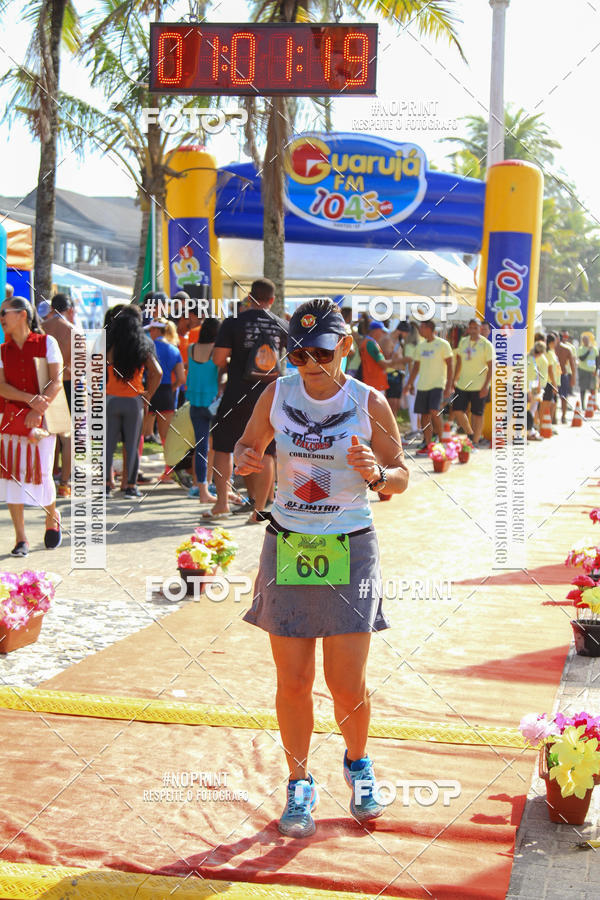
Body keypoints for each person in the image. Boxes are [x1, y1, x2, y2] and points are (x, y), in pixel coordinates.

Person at [235, 298, 409, 838]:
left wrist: (378, 475)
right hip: (288, 542)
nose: (308, 361)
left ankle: (358, 765)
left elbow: (403, 474)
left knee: (346, 683)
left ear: (347, 347)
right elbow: (249, 445)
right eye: (299, 351)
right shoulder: (276, 392)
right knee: (293, 679)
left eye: (321, 351)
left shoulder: (368, 400)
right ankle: (298, 783)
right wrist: (246, 459)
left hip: (350, 546)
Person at [210, 278, 287, 524]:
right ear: (272, 300)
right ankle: (260, 510)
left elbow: (218, 360)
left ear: (249, 296)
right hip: (270, 393)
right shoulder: (281, 324)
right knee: (266, 449)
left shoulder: (234, 322)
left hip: (237, 393)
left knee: (224, 445)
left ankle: (221, 504)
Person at [0, 296, 64, 556]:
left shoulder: (47, 342)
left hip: (43, 419)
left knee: (43, 473)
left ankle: (52, 516)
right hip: (11, 418)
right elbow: (1, 386)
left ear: (22, 314)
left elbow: (56, 380)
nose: (1, 319)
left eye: (4, 313)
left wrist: (39, 410)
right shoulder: (2, 350)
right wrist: (29, 401)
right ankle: (21, 538)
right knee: (12, 476)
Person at [106, 305, 162, 497]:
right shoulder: (143, 344)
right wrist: (149, 395)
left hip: (111, 398)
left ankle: (106, 484)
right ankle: (130, 485)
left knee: (108, 443)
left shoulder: (109, 343)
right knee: (132, 444)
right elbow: (157, 372)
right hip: (134, 399)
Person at [41, 293, 78, 497]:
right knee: (67, 437)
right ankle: (64, 483)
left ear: (52, 309)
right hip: (67, 384)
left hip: (45, 383)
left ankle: (49, 475)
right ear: (69, 310)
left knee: (48, 431)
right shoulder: (73, 331)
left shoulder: (42, 328)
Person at [143, 318, 185, 482]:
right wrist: (171, 389)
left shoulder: (148, 348)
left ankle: (132, 472)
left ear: (155, 330)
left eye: (151, 330)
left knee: (139, 434)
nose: (149, 333)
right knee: (166, 437)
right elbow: (181, 378)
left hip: (147, 390)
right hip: (166, 392)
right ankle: (169, 471)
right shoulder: (174, 349)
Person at [403, 320, 453, 454]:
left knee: (434, 411)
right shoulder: (421, 346)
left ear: (430, 329)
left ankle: (443, 442)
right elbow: (416, 367)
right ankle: (428, 442)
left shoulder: (443, 344)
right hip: (422, 385)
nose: (419, 330)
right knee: (424, 415)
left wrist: (449, 386)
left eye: (422, 328)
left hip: (437, 384)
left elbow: (450, 365)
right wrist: (409, 384)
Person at [186, 317, 221, 504]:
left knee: (201, 447)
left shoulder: (191, 348)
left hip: (195, 403)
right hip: (213, 403)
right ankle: (216, 484)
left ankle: (202, 488)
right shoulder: (217, 352)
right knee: (218, 448)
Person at [452, 318, 493, 446]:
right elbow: (459, 362)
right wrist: (454, 379)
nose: (473, 330)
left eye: (476, 328)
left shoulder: (486, 344)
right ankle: (470, 433)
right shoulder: (463, 341)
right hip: (462, 384)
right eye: (471, 327)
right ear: (468, 329)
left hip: (479, 385)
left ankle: (475, 441)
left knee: (477, 414)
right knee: (458, 410)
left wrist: (486, 386)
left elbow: (491, 366)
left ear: (480, 329)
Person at [358, 321, 392, 393]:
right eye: (382, 332)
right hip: (375, 384)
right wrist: (399, 361)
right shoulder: (370, 343)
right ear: (376, 331)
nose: (383, 334)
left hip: (372, 383)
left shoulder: (368, 342)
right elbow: (383, 364)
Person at [557, 332, 577, 424]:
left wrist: (573, 377)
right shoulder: (567, 349)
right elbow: (573, 365)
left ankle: (553, 417)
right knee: (564, 397)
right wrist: (573, 377)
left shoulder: (552, 349)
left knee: (553, 398)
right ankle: (563, 416)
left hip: (554, 375)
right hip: (563, 374)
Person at [577, 334, 598, 408]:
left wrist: (597, 370)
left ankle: (594, 404)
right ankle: (583, 404)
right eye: (584, 340)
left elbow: (597, 360)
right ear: (582, 341)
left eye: (587, 340)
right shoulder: (580, 349)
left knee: (593, 388)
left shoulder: (594, 349)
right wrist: (588, 351)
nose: (586, 341)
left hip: (592, 371)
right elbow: (581, 358)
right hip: (583, 370)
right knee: (583, 388)